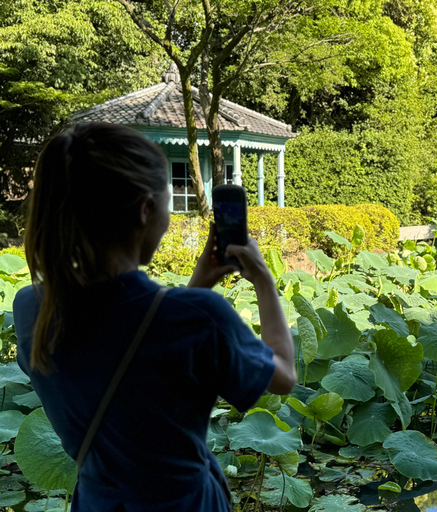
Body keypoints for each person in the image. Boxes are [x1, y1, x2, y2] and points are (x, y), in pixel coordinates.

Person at [12, 122, 296, 511]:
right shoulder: (199, 317)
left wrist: (197, 285)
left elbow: (129, 341)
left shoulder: (31, 310)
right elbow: (283, 376)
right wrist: (263, 279)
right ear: (146, 210)